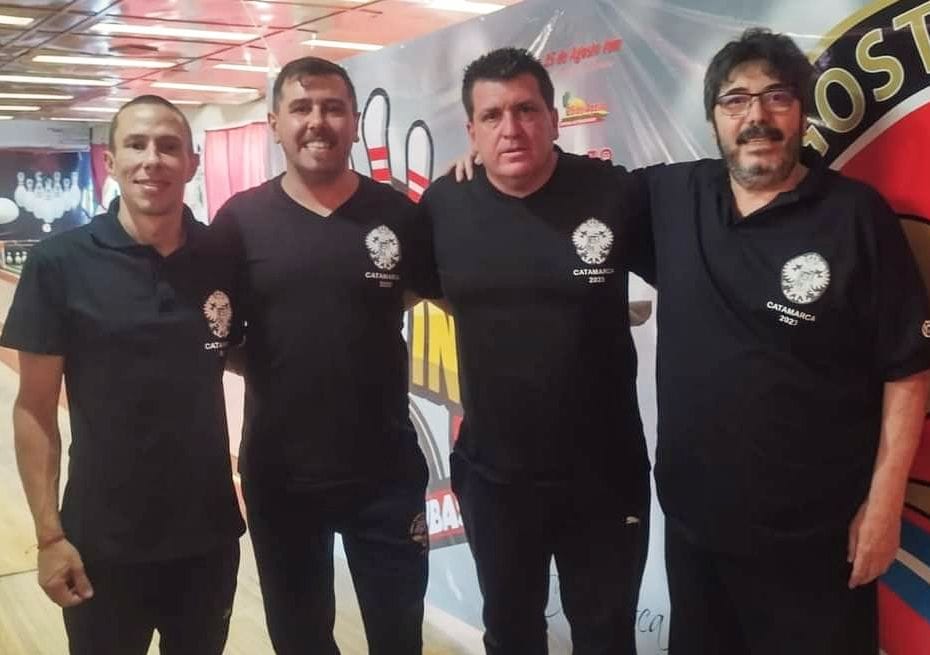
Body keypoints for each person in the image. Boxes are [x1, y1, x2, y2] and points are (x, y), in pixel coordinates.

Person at [640, 28, 930, 653]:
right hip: (696, 533)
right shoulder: (672, 196)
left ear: (801, 112)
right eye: (735, 100)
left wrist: (883, 508)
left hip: (817, 541)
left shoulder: (857, 216)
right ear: (714, 119)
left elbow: (907, 369)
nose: (757, 117)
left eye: (776, 96)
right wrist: (471, 167)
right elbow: (562, 188)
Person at [420, 47, 653, 654]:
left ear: (553, 118)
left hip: (605, 475)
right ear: (471, 132)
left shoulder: (613, 192)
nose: (511, 128)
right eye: (492, 116)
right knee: (511, 634)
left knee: (607, 639)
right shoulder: (444, 205)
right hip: (496, 477)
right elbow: (432, 291)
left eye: (525, 110)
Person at [2, 95, 245, 655]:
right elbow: (34, 408)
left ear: (192, 163)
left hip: (208, 539)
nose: (152, 159)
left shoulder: (222, 255)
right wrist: (49, 537)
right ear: (111, 162)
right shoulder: (59, 263)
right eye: (136, 145)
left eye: (168, 146)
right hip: (100, 543)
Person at [210, 57, 436, 655]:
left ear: (354, 122)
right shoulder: (239, 221)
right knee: (300, 640)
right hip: (280, 476)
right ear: (274, 125)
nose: (318, 121)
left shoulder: (399, 215)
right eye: (302, 108)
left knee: (399, 640)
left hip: (386, 474)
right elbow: (218, 331)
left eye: (333, 108)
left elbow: (433, 290)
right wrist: (279, 363)